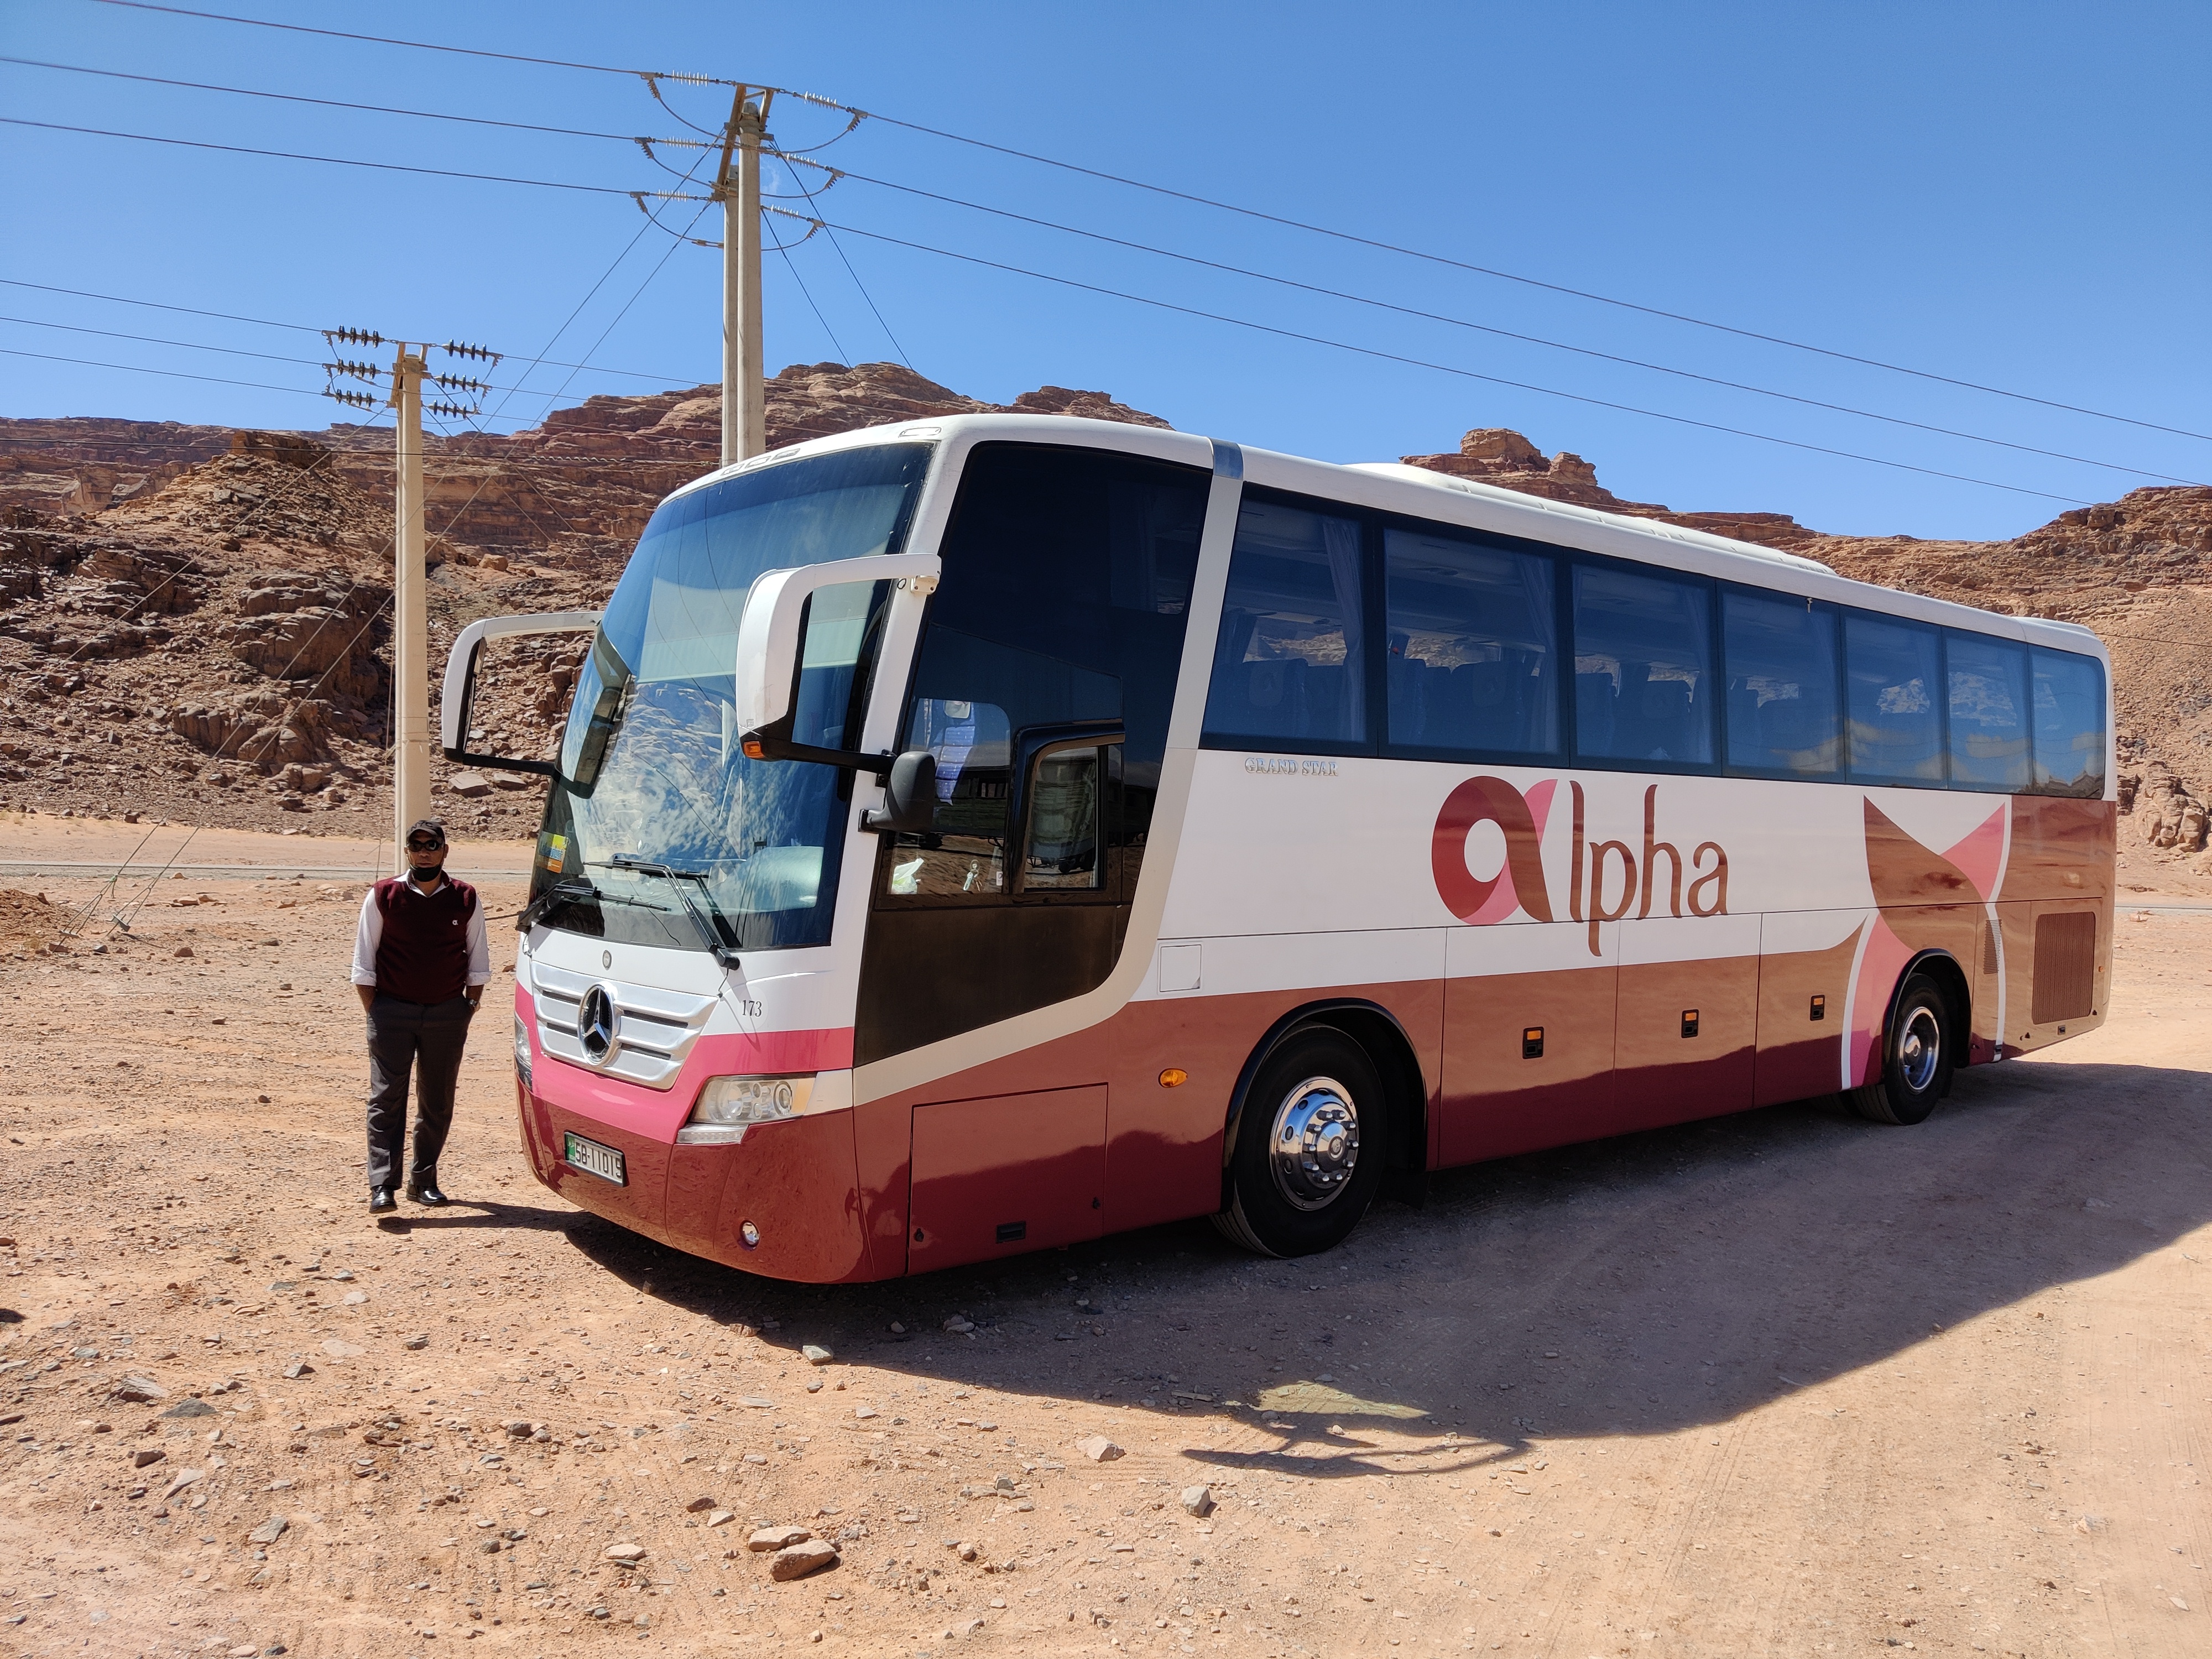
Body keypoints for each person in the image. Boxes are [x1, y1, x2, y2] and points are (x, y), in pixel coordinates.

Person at [351, 818, 489, 1212]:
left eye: (433, 845)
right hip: (392, 1012)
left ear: (445, 851)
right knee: (386, 1099)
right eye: (417, 845)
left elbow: (478, 959)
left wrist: (468, 1007)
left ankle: (423, 1180)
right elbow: (364, 963)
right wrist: (378, 1011)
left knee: (437, 1101)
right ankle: (383, 1186)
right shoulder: (384, 895)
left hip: (447, 1014)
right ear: (407, 851)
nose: (424, 852)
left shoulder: (465, 897)